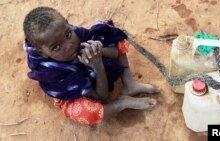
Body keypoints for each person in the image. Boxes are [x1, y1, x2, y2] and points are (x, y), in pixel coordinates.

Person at [23, 6, 160, 125]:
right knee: (84, 112)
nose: (69, 46)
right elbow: (101, 96)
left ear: (67, 24)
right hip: (76, 89)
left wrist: (99, 51)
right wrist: (98, 65)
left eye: (68, 34)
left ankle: (129, 84)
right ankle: (121, 103)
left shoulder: (71, 33)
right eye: (57, 47)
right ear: (42, 52)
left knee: (111, 35)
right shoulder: (52, 74)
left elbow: (116, 52)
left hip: (92, 62)